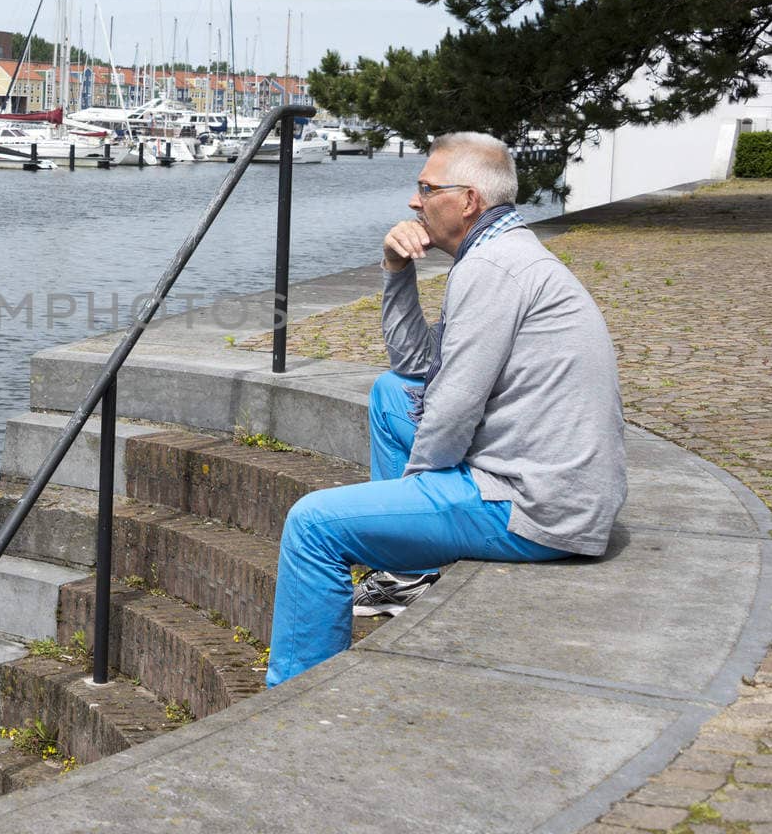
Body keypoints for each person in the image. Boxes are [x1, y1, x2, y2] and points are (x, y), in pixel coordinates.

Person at [265, 132, 626, 688]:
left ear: (469, 201)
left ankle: (293, 697)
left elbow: (454, 407)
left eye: (426, 189)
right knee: (392, 393)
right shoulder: (495, 254)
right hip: (542, 479)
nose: (414, 201)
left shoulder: (494, 270)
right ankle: (407, 575)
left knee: (313, 525)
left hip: (538, 507)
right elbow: (414, 363)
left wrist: (405, 502)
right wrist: (395, 269)